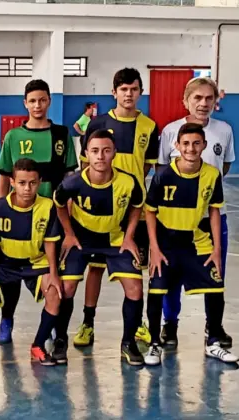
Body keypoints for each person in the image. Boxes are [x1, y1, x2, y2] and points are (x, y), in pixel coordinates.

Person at [76, 68, 158, 348]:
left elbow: (147, 165)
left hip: (132, 209)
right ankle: (88, 323)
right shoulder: (97, 122)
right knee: (95, 269)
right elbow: (85, 164)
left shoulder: (149, 126)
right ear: (114, 93)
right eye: (123, 89)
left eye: (134, 89)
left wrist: (129, 186)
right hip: (99, 209)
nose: (128, 94)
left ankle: (137, 325)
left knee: (136, 268)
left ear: (140, 92)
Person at [144, 122, 238, 366]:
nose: (191, 148)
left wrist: (217, 248)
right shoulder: (163, 175)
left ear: (204, 145)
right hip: (165, 245)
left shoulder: (211, 175)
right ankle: (155, 344)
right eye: (185, 143)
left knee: (216, 286)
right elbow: (150, 212)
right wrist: (153, 248)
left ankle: (213, 342)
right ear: (176, 146)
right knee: (156, 291)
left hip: (197, 242)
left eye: (197, 143)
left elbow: (215, 212)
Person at [0, 79, 77, 345]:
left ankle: (56, 329)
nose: (37, 105)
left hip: (51, 216)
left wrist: (68, 226)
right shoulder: (13, 137)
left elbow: (69, 180)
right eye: (32, 100)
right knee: (10, 270)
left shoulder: (62, 135)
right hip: (17, 215)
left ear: (49, 101)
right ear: (25, 103)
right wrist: (1, 211)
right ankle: (6, 319)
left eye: (42, 100)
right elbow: (5, 176)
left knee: (54, 274)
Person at [54, 129, 145, 366]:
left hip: (115, 240)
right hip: (81, 240)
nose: (101, 156)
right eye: (95, 151)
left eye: (106, 150)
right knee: (67, 286)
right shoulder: (72, 182)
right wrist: (69, 234)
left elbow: (136, 206)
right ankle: (61, 340)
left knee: (135, 288)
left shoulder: (128, 182)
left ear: (114, 152)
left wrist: (129, 236)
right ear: (85, 154)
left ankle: (128, 343)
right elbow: (59, 204)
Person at [157, 77, 234, 348]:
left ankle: (214, 328)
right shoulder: (170, 131)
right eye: (197, 98)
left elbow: (222, 167)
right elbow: (162, 172)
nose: (203, 103)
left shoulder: (224, 130)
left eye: (208, 98)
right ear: (185, 101)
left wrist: (205, 194)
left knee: (215, 270)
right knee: (171, 275)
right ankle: (170, 326)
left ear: (215, 101)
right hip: (175, 220)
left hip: (212, 217)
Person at [0, 158, 62, 365]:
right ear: (12, 182)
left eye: (33, 183)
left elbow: (51, 244)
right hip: (5, 263)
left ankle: (38, 344)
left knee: (54, 293)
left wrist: (54, 273)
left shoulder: (47, 206)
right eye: (22, 183)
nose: (27, 188)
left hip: (35, 262)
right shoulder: (0, 207)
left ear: (40, 182)